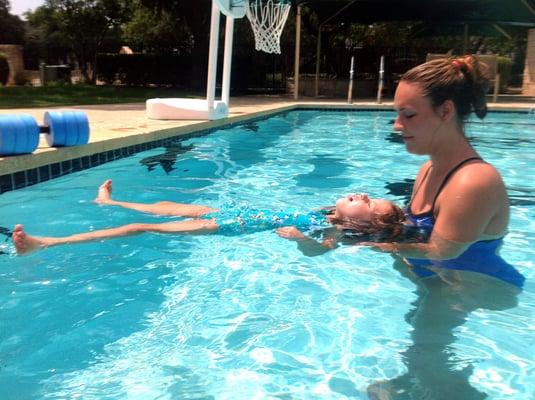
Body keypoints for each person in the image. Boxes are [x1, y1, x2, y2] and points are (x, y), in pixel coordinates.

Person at [366, 55, 524, 288]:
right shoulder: (427, 170)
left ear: (445, 111)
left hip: (475, 295)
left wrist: (358, 240)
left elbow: (441, 252)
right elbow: (412, 233)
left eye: (408, 115)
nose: (397, 125)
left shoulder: (474, 181)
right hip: (440, 286)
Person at [12, 179, 406, 255]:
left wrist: (302, 240)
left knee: (142, 227)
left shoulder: (329, 228)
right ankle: (109, 203)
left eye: (372, 205)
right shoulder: (327, 211)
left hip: (230, 224)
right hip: (240, 212)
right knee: (164, 207)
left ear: (364, 223)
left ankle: (44, 243)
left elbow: (320, 250)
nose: (366, 196)